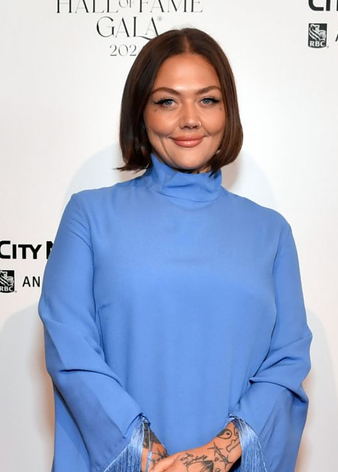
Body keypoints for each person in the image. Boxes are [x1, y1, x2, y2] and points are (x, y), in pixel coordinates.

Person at [39, 28, 311, 472]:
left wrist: (215, 455)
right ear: (141, 112)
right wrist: (146, 454)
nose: (189, 119)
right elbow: (71, 348)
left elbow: (288, 357)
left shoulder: (271, 231)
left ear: (228, 112)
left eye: (208, 100)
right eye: (167, 101)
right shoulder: (89, 215)